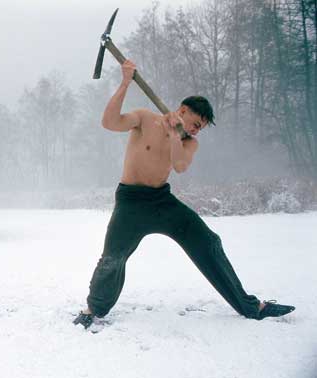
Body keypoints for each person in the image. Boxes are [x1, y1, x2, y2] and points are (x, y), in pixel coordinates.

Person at [73, 59, 295, 329]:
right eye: (196, 123)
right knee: (112, 259)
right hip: (130, 202)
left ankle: (251, 307)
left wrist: (176, 135)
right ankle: (93, 310)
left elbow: (179, 166)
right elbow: (108, 122)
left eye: (200, 128)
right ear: (183, 110)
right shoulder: (145, 118)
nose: (196, 129)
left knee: (210, 242)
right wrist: (125, 82)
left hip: (163, 203)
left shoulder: (189, 142)